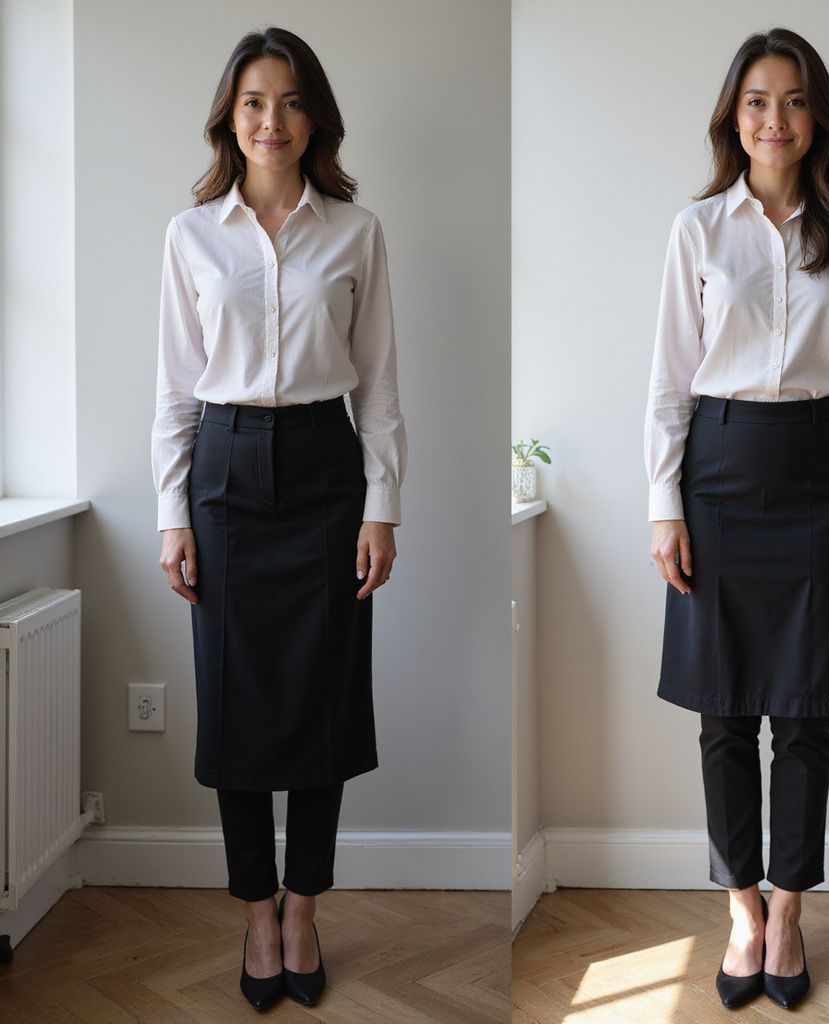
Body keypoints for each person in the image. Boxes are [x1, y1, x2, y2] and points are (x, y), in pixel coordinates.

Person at [151, 26, 406, 1011]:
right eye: (255, 101)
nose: (272, 119)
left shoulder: (357, 230)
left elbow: (379, 384)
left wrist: (381, 506)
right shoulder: (190, 238)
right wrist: (174, 514)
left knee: (323, 699)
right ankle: (255, 911)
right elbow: (174, 390)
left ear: (314, 118)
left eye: (291, 101)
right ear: (231, 115)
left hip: (324, 470)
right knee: (238, 699)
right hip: (220, 474)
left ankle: (305, 906)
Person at [644, 27, 829, 1011]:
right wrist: (663, 505)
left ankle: (790, 910)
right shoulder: (697, 230)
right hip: (715, 470)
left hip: (815, 478)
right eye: (756, 99)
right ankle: (740, 907)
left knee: (804, 711)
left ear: (814, 115)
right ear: (732, 116)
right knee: (722, 710)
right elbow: (666, 382)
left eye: (792, 100)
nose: (774, 118)